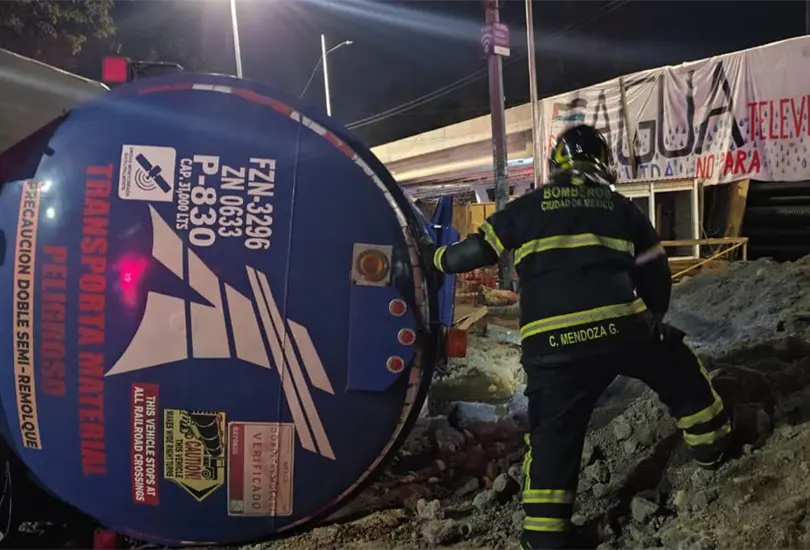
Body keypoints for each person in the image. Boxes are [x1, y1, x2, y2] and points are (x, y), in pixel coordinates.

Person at [429, 124, 734, 550]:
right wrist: (655, 319)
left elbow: (473, 253)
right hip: (621, 329)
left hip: (552, 350)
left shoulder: (527, 207)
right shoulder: (622, 208)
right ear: (603, 165)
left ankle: (545, 534)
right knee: (680, 371)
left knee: (554, 436)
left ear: (555, 167)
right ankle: (715, 448)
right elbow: (655, 270)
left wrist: (436, 257)